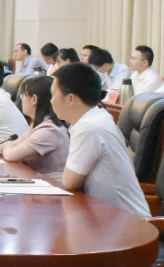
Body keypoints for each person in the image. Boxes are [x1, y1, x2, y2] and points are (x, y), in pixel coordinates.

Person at [50, 62, 149, 218]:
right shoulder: (96, 118)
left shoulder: (90, 127)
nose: (51, 101)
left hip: (129, 223)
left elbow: (69, 182)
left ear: (70, 98)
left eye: (53, 94)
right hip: (108, 217)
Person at [0, 75, 70, 180]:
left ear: (34, 99)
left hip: (53, 186)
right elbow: (13, 144)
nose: (21, 99)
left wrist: (8, 146)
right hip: (37, 181)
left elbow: (11, 155)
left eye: (23, 95)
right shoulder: (38, 124)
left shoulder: (49, 130)